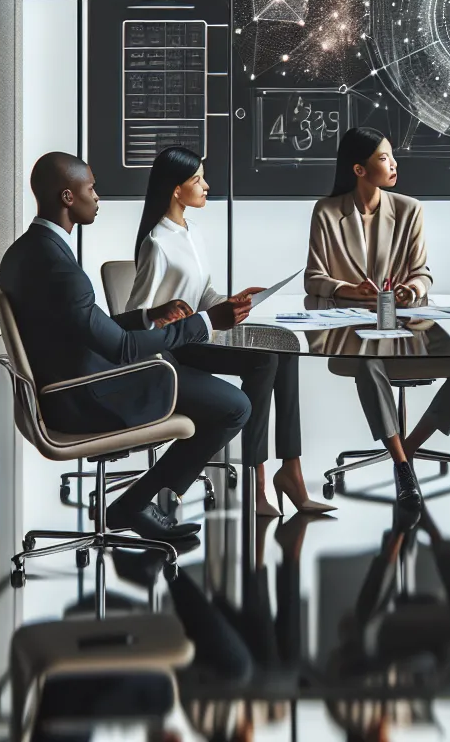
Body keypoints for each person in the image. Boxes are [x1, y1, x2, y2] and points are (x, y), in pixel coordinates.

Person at [0, 152, 253, 544]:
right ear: (68, 197)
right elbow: (122, 351)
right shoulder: (61, 269)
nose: (97, 197)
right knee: (235, 407)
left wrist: (150, 316)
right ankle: (132, 505)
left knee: (197, 384)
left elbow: (89, 329)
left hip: (66, 382)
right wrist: (202, 323)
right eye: (91, 189)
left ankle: (136, 502)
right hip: (84, 395)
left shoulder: (24, 254)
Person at [126, 146, 332, 517]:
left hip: (201, 335)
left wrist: (232, 299)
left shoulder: (191, 232)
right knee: (263, 362)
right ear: (176, 189)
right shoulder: (157, 243)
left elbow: (203, 295)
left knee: (284, 350)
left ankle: (291, 472)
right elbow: (133, 315)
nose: (207, 185)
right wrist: (161, 315)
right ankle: (257, 483)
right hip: (177, 349)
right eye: (198, 180)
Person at [306, 127, 450, 506]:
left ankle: (406, 448)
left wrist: (413, 289)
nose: (393, 163)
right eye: (384, 157)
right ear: (359, 169)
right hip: (350, 331)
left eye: (391, 156)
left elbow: (422, 271)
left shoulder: (409, 209)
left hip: (409, 325)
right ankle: (404, 467)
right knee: (368, 362)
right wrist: (346, 289)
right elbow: (313, 278)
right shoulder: (326, 212)